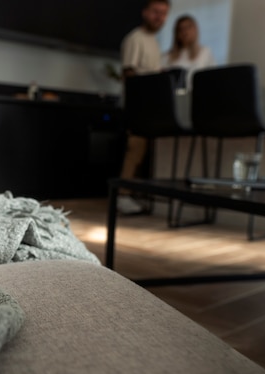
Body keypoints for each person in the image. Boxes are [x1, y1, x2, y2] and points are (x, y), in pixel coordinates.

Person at [117, 0, 171, 214]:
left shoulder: (154, 42)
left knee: (145, 153)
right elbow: (129, 73)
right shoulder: (135, 39)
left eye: (164, 13)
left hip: (151, 106)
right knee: (135, 149)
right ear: (145, 13)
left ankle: (134, 194)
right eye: (156, 12)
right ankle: (123, 196)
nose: (159, 17)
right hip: (137, 105)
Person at [162, 14, 216, 90]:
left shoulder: (205, 52)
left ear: (195, 29)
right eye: (181, 29)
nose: (184, 32)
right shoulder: (166, 57)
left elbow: (212, 79)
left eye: (188, 27)